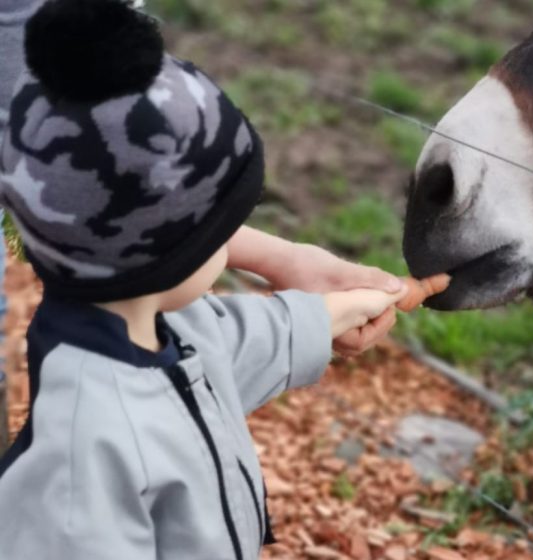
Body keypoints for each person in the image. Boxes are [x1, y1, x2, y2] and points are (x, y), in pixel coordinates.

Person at [0, 0, 409, 557]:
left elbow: (245, 341)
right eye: (225, 229)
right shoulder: (83, 457)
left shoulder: (167, 326)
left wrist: (336, 313)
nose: (235, 242)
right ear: (166, 257)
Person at [0, 0, 402, 360]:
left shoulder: (149, 342)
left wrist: (301, 290)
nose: (223, 243)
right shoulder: (96, 435)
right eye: (217, 233)